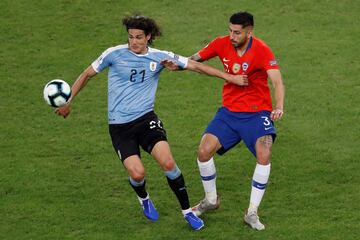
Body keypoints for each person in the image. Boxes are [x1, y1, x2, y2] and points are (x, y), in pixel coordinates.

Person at [55, 15, 247, 231]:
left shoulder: (160, 56)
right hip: (120, 127)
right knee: (137, 174)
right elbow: (86, 74)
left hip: (146, 120)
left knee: (168, 163)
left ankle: (187, 212)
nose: (133, 42)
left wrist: (229, 78)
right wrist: (69, 100)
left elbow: (196, 66)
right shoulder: (113, 54)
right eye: (130, 37)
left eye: (138, 37)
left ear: (148, 37)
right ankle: (144, 198)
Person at [166, 12, 285, 230]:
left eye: (237, 32)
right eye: (230, 30)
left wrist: (278, 106)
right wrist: (179, 65)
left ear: (249, 32)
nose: (232, 35)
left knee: (264, 153)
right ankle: (211, 200)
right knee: (203, 151)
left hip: (257, 113)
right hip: (229, 112)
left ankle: (251, 212)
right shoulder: (221, 43)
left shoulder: (261, 50)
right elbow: (196, 59)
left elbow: (277, 81)